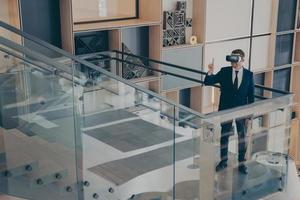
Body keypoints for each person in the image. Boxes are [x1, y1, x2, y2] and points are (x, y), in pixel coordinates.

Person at [204, 49, 254, 174]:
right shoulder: (225, 71)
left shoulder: (249, 75)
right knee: (224, 135)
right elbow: (208, 81)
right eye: (232, 60)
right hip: (226, 110)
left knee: (242, 137)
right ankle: (223, 161)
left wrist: (250, 114)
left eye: (236, 60)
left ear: (242, 60)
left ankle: (242, 163)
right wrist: (210, 71)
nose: (234, 64)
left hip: (241, 111)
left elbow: (251, 96)